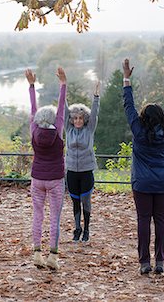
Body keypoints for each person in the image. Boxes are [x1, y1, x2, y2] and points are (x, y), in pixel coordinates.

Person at [122, 58, 164, 275]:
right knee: (161, 219)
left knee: (143, 220)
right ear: (161, 117)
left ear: (143, 118)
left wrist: (126, 79)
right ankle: (160, 262)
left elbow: (128, 105)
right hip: (161, 183)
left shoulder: (138, 130)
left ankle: (145, 262)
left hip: (142, 183)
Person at [25, 67, 67, 271]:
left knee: (38, 214)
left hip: (37, 179)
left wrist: (32, 86)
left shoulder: (34, 130)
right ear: (53, 120)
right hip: (56, 179)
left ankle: (36, 253)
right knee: (54, 218)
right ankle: (53, 256)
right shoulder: (58, 130)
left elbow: (33, 110)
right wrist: (63, 85)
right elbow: (62, 109)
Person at [65, 82, 100, 243]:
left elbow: (94, 114)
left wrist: (96, 97)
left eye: (80, 118)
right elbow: (63, 112)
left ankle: (86, 229)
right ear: (72, 120)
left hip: (86, 171)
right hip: (71, 171)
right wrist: (63, 90)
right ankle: (77, 228)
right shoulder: (69, 130)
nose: (78, 121)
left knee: (85, 200)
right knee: (75, 201)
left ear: (84, 119)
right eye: (75, 118)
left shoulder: (89, 129)